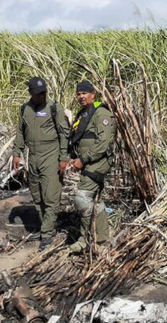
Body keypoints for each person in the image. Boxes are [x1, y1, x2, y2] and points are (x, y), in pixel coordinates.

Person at [12, 77, 70, 250]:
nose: (42, 96)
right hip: (33, 156)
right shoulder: (25, 109)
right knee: (37, 195)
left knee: (51, 196)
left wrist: (63, 158)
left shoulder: (54, 108)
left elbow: (64, 134)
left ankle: (47, 234)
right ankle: (44, 226)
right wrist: (17, 153)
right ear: (31, 93)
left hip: (51, 155)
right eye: (38, 94)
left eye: (44, 92)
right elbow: (20, 132)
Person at [67, 80, 115, 253]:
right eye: (78, 93)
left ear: (93, 94)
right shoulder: (82, 114)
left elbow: (104, 143)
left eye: (84, 93)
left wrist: (83, 159)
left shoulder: (101, 113)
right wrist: (73, 158)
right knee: (96, 201)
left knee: (82, 197)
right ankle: (99, 240)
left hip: (98, 162)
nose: (81, 96)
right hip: (87, 162)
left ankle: (88, 240)